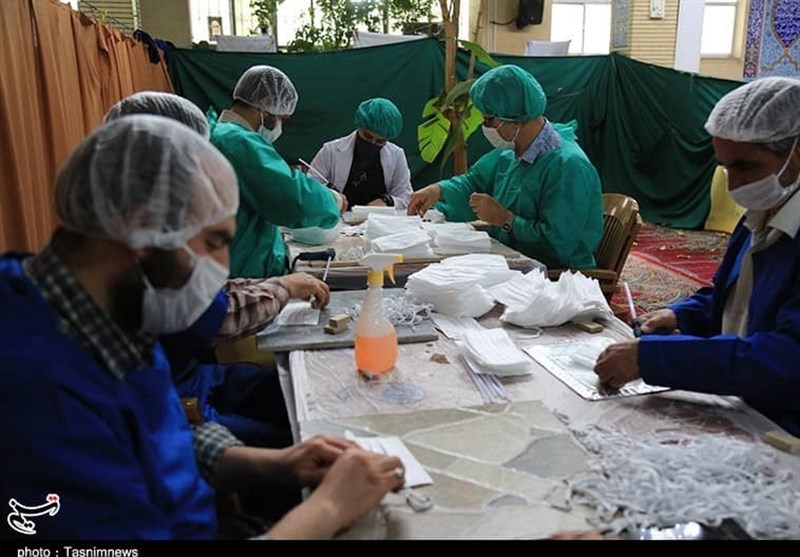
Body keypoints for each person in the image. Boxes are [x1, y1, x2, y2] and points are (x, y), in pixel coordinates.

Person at [0, 116, 403, 539]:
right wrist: (326, 510)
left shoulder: (112, 312)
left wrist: (278, 463)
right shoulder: (36, 396)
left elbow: (156, 441)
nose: (222, 268)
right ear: (143, 228)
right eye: (212, 242)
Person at [106, 92, 331, 450]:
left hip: (191, 375)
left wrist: (278, 283)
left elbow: (211, 291)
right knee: (302, 434)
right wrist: (284, 288)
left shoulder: (150, 226)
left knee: (304, 390)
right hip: (175, 398)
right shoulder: (140, 246)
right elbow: (215, 314)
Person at [594, 77, 800, 437]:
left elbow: (785, 360)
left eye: (745, 166)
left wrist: (652, 359)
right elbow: (731, 295)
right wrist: (681, 315)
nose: (733, 185)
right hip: (740, 403)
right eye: (725, 168)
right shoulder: (758, 215)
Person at [407, 64, 603, 270]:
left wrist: (505, 219)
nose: (485, 128)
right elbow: (474, 182)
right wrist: (438, 190)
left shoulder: (568, 166)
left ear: (515, 120)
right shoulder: (511, 153)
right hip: (516, 261)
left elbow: (561, 243)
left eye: (488, 120)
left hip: (556, 275)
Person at [209, 65, 347, 279]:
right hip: (242, 271)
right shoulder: (237, 142)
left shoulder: (219, 134)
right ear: (266, 107)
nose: (280, 126)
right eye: (282, 118)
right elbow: (291, 198)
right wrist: (332, 200)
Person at [310, 97, 413, 210]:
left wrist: (388, 201)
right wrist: (331, 195)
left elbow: (405, 196)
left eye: (380, 141)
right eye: (367, 136)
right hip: (338, 217)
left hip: (378, 218)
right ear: (359, 126)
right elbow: (310, 188)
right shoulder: (330, 151)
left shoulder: (396, 155)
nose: (372, 143)